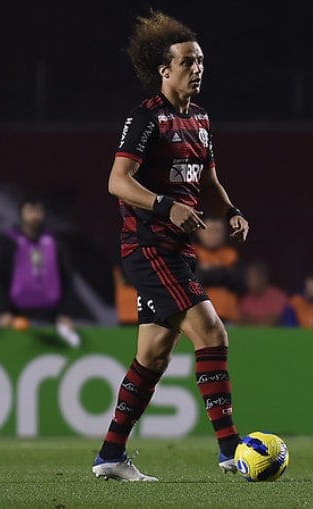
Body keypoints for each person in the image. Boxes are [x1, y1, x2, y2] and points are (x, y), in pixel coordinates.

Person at [91, 11, 250, 482]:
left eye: (200, 61)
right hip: (148, 245)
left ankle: (110, 455)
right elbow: (117, 182)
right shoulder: (145, 119)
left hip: (177, 248)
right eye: (187, 62)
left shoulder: (200, 119)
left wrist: (231, 210)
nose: (197, 68)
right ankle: (230, 450)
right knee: (213, 333)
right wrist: (165, 207)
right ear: (164, 69)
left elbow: (209, 181)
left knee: (153, 356)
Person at [0, 195, 81, 347]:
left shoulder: (55, 241)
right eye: (30, 211)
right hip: (17, 317)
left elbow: (68, 278)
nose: (35, 216)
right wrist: (4, 310)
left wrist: (66, 313)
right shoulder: (6, 242)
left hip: (52, 317)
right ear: (21, 214)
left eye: (38, 211)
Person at [194, 218, 243, 322]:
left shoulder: (231, 254)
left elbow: (239, 282)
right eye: (210, 231)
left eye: (218, 231)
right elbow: (195, 281)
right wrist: (224, 272)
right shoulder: (192, 252)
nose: (214, 236)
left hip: (228, 318)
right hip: (200, 317)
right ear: (199, 232)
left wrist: (207, 273)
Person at [238, 260, 288, 326]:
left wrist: (251, 321)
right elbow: (240, 322)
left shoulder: (277, 296)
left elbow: (270, 323)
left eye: (252, 277)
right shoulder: (246, 299)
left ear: (263, 278)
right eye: (248, 277)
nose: (248, 281)